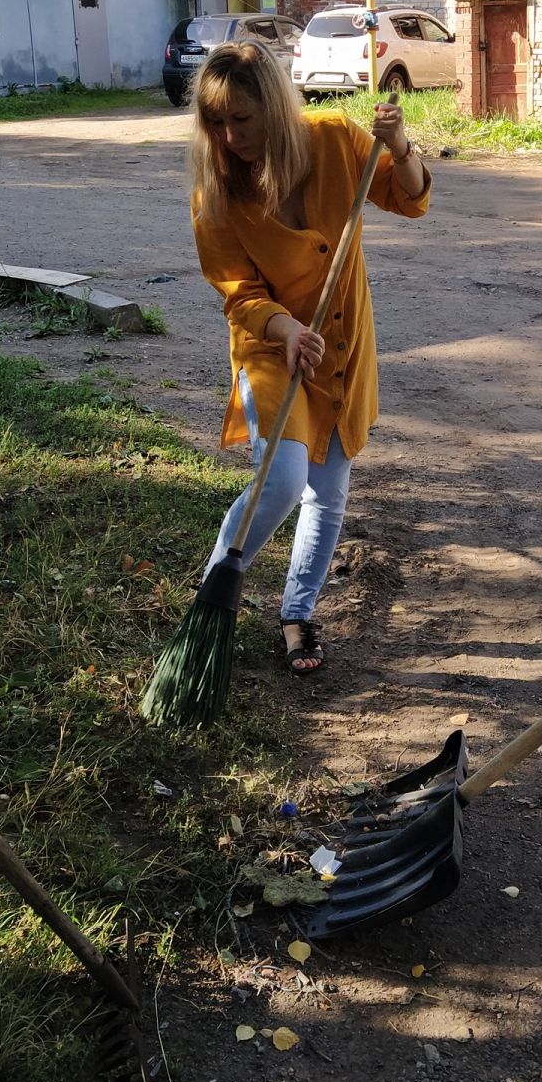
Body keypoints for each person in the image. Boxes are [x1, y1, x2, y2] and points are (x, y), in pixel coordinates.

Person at [189, 38, 432, 674]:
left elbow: (410, 198)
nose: (229, 135)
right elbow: (238, 294)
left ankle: (298, 615)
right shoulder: (216, 189)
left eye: (242, 119)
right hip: (272, 347)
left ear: (273, 107)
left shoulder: (331, 140)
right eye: (215, 121)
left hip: (344, 344)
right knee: (287, 478)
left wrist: (398, 140)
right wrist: (287, 329)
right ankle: (213, 597)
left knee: (328, 492)